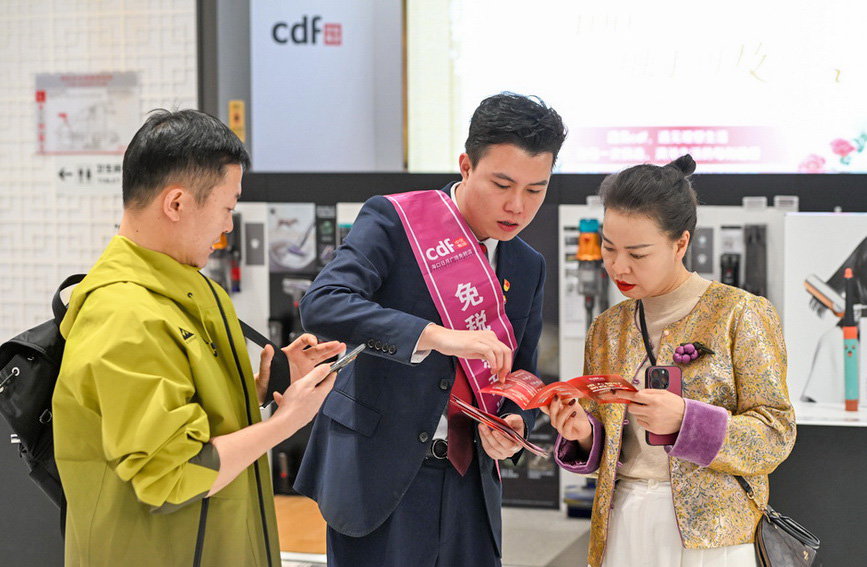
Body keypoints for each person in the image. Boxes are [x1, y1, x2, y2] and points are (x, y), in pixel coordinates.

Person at [53, 109, 344, 567]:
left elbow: (186, 419)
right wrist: (286, 423)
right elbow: (170, 474)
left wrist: (259, 391)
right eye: (227, 209)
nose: (228, 227)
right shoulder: (124, 316)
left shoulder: (191, 288)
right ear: (176, 204)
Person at [295, 92, 568, 567]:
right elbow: (324, 303)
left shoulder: (527, 264)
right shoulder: (397, 221)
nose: (517, 206)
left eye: (535, 190)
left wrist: (516, 421)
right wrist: (435, 335)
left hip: (470, 484)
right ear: (466, 165)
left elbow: (522, 372)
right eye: (502, 184)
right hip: (377, 475)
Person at [546, 154, 796, 567]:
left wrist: (686, 420)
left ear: (680, 243)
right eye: (609, 248)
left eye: (638, 254)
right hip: (621, 520)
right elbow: (608, 442)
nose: (618, 266)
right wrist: (583, 433)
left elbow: (775, 435)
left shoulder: (739, 313)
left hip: (712, 534)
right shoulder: (607, 329)